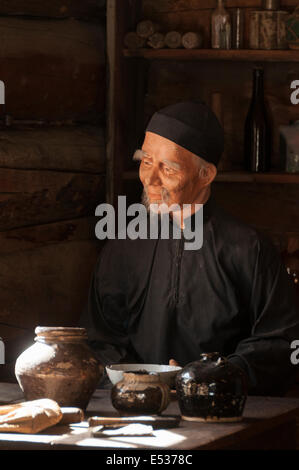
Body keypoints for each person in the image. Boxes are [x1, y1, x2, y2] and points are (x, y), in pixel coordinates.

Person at [80, 100, 299, 396]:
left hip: (222, 415)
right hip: (133, 411)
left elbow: (279, 342)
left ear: (205, 175)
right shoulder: (124, 245)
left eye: (168, 168)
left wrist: (210, 377)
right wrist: (140, 383)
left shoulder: (249, 249)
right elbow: (100, 338)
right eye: (146, 162)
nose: (150, 179)